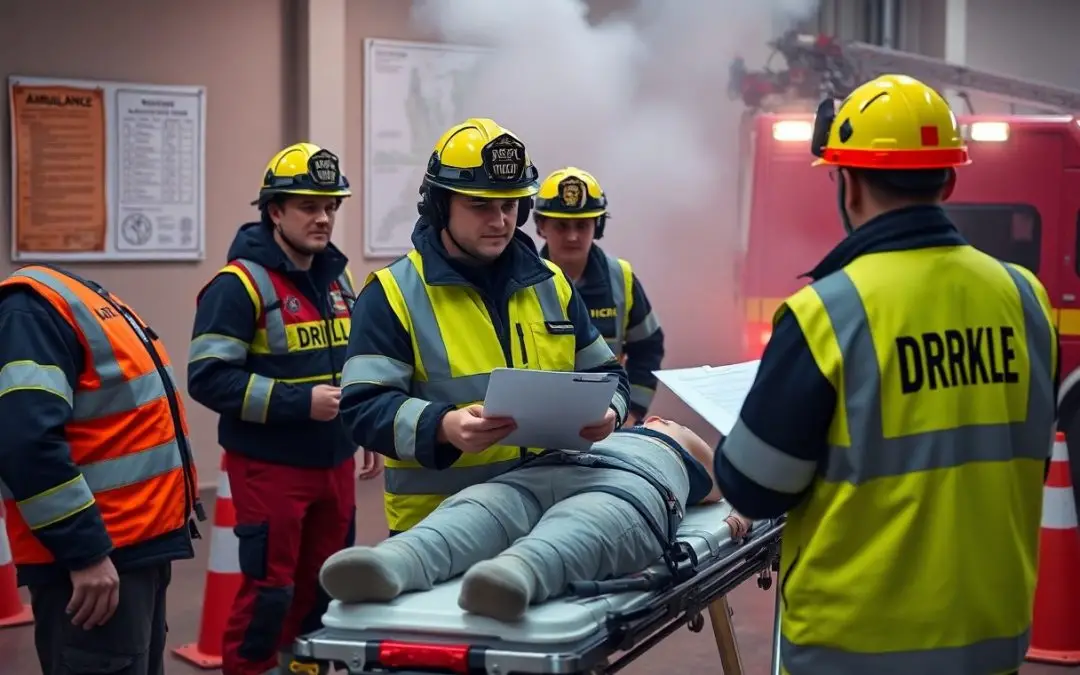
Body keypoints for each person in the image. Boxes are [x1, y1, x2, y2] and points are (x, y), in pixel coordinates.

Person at [713, 75, 1058, 675]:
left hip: (854, 650)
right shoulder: (1025, 297)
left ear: (846, 184)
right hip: (990, 640)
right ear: (949, 180)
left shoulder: (829, 311)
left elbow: (754, 486)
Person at [339, 118, 631, 535]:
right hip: (439, 534)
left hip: (548, 523)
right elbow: (362, 409)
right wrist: (442, 427)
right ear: (441, 205)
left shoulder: (552, 284)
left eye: (509, 205)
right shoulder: (392, 293)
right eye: (480, 205)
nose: (499, 220)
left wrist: (611, 413)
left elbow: (610, 373)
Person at [187, 142, 378, 675]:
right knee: (269, 592)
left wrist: (364, 430)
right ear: (274, 211)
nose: (323, 218)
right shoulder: (237, 285)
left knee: (325, 585)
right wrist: (300, 403)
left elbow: (355, 365)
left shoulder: (338, 279)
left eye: (331, 207)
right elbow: (207, 378)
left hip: (335, 461)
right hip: (271, 467)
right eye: (309, 207)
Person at [319, 417, 750, 621]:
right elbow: (720, 483)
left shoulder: (653, 436)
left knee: (493, 511)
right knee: (492, 509)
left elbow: (720, 490)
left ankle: (404, 559)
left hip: (583, 475)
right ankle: (399, 560)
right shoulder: (672, 437)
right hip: (598, 476)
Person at [0, 264, 202, 675]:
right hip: (96, 565)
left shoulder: (78, 297)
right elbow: (26, 445)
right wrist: (85, 553)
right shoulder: (29, 311)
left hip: (135, 549)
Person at [534, 167, 665, 423]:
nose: (572, 236)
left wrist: (632, 412)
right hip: (539, 422)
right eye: (561, 225)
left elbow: (648, 347)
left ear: (598, 226)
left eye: (582, 225)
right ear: (541, 226)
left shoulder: (621, 278)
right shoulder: (520, 283)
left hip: (604, 421)